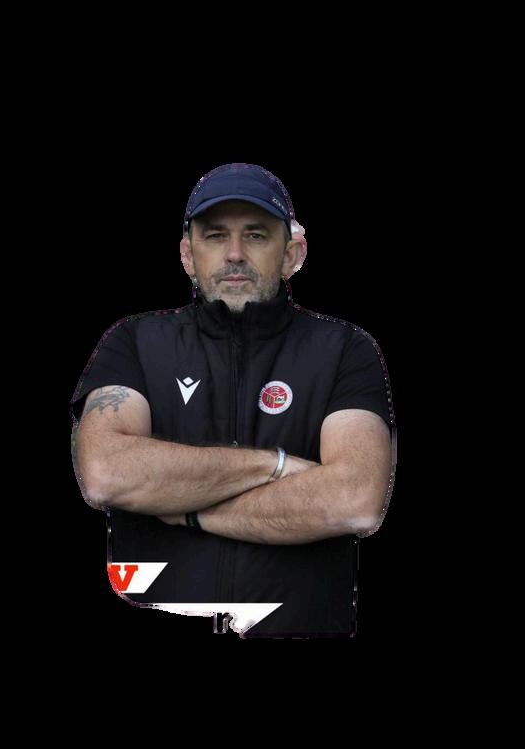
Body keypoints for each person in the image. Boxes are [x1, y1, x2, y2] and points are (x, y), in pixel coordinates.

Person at [70, 162, 396, 638]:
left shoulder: (345, 349)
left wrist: (186, 509)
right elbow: (105, 473)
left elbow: (355, 500)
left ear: (292, 254)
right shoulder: (134, 342)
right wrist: (275, 466)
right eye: (216, 235)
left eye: (257, 235)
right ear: (188, 255)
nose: (235, 254)